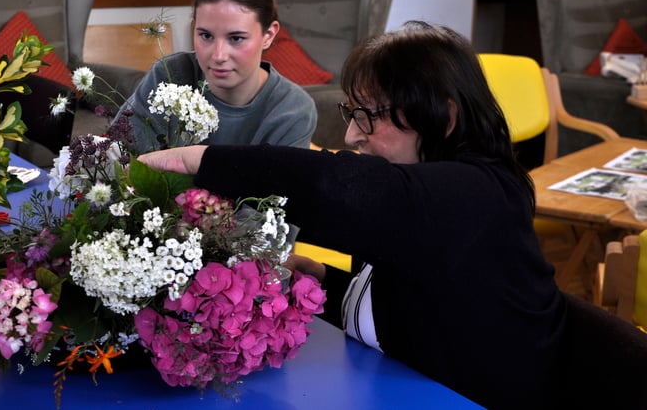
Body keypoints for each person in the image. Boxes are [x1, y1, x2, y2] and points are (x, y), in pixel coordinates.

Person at [137, 21, 567, 409]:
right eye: (351, 112)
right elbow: (418, 305)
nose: (351, 135)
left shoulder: (475, 194)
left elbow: (335, 187)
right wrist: (325, 278)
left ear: (445, 118)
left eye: (368, 116)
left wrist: (200, 159)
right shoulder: (425, 198)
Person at [116, 0, 317, 152]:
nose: (219, 55)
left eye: (236, 38)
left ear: (269, 35)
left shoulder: (293, 110)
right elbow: (112, 165)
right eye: (206, 35)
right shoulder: (169, 76)